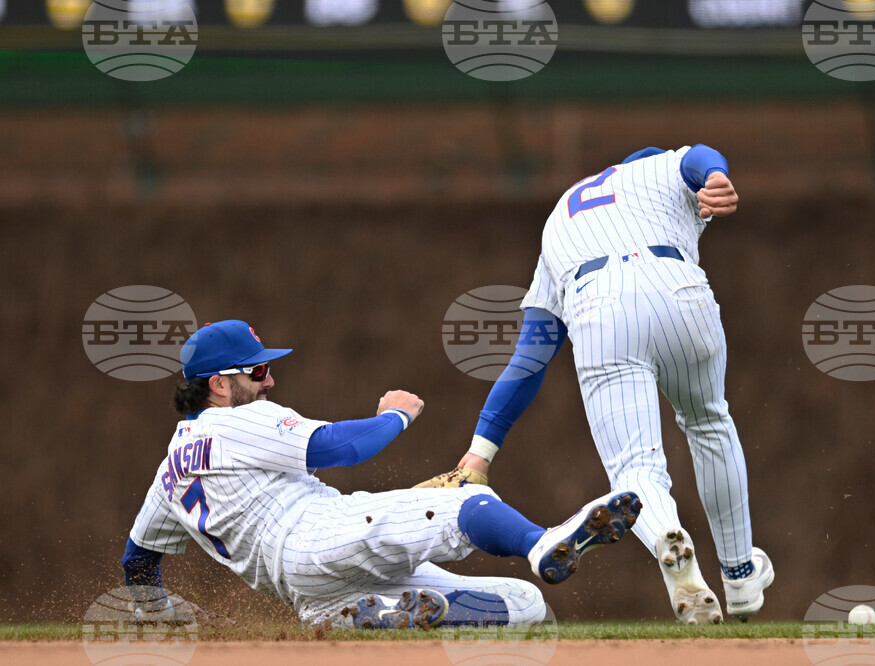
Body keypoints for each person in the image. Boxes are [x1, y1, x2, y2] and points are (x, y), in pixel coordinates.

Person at [423, 145, 774, 623]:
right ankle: (740, 578)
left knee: (636, 468)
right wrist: (715, 173)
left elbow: (532, 355)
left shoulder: (560, 216)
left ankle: (667, 538)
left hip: (599, 307)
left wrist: (480, 450)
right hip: (680, 290)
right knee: (709, 421)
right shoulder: (654, 172)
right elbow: (699, 158)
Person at [121, 320, 640, 629]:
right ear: (217, 384)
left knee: (525, 604)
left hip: (305, 592)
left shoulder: (168, 474)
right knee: (462, 503)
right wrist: (396, 413)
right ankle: (542, 543)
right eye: (256, 371)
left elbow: (137, 563)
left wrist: (176, 624)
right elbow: (340, 447)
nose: (269, 379)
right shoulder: (233, 421)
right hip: (316, 534)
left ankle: (370, 619)